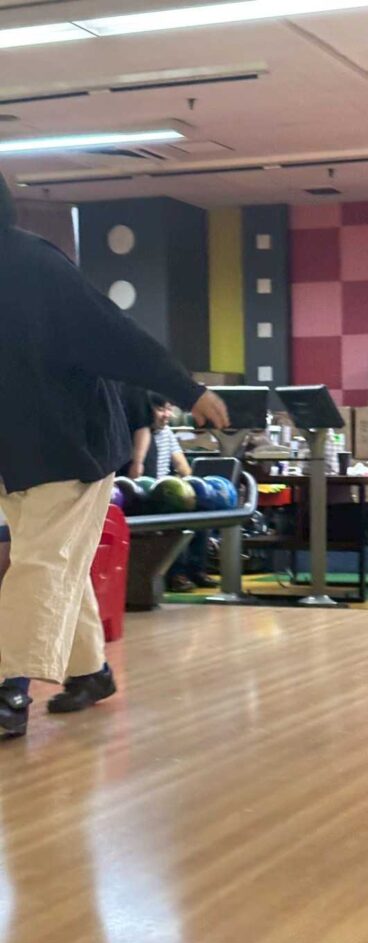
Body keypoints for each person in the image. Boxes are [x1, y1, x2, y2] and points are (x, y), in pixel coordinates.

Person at [0, 172, 229, 738]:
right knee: (51, 560)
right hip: (15, 453)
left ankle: (7, 689)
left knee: (41, 564)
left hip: (69, 447)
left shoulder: (34, 264)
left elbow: (114, 334)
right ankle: (91, 672)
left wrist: (187, 389)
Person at [147, 393, 216, 592]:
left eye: (169, 409)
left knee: (201, 511)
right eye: (161, 409)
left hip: (170, 489)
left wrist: (192, 489)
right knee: (176, 515)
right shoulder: (140, 433)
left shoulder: (167, 433)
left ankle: (197, 569)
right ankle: (177, 574)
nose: (166, 415)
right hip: (150, 493)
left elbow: (182, 466)